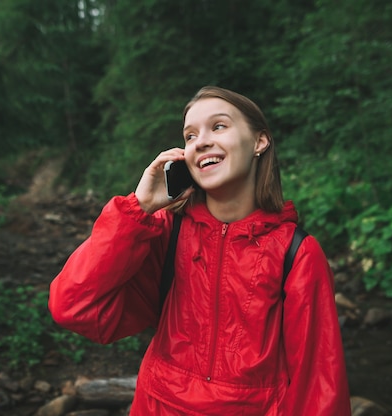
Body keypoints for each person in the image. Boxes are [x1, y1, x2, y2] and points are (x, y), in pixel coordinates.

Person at [49, 86, 351, 415]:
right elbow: (72, 306)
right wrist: (139, 208)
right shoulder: (165, 234)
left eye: (218, 126)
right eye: (190, 136)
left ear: (259, 142)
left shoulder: (296, 253)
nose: (201, 141)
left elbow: (318, 385)